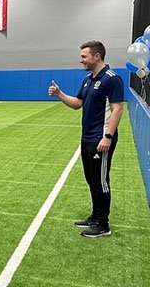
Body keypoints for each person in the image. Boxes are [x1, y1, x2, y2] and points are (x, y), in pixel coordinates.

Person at [48, 40, 124, 238]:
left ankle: (103, 224)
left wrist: (108, 136)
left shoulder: (111, 79)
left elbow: (117, 109)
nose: (81, 60)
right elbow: (77, 103)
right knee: (91, 179)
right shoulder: (87, 80)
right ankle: (95, 216)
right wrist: (59, 94)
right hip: (87, 138)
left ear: (96, 56)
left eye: (84, 56)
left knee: (101, 181)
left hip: (101, 139)